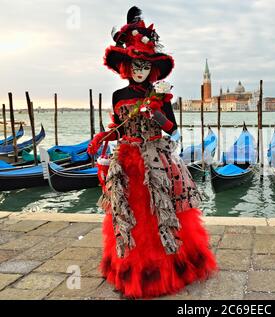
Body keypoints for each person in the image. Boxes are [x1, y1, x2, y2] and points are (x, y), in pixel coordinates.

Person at [87, 6, 217, 299]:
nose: (141, 72)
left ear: (153, 69)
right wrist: (104, 137)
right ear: (127, 68)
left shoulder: (160, 94)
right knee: (130, 213)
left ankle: (169, 266)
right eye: (136, 67)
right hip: (128, 163)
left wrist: (156, 112)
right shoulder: (119, 96)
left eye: (145, 67)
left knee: (161, 211)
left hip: (156, 161)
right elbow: (120, 129)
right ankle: (131, 268)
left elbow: (172, 129)